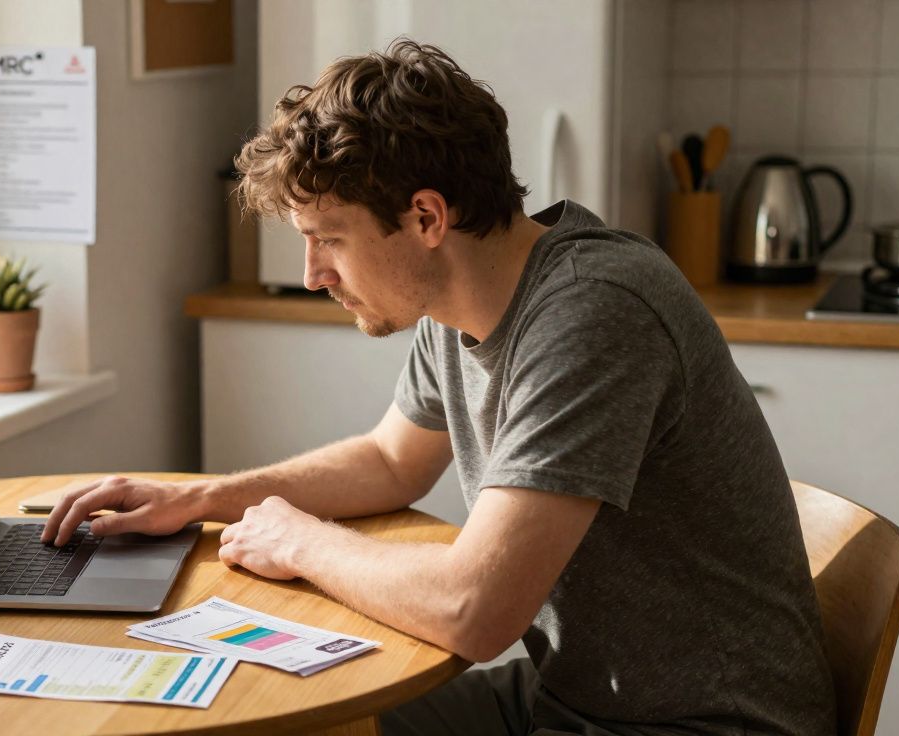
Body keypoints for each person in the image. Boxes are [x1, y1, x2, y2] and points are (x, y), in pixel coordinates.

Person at [41, 39, 836, 736]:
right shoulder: (457, 299)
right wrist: (203, 501)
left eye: (326, 240)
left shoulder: (596, 312)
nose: (312, 275)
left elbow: (475, 611)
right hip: (576, 696)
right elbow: (390, 462)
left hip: (695, 723)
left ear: (426, 217)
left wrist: (300, 540)